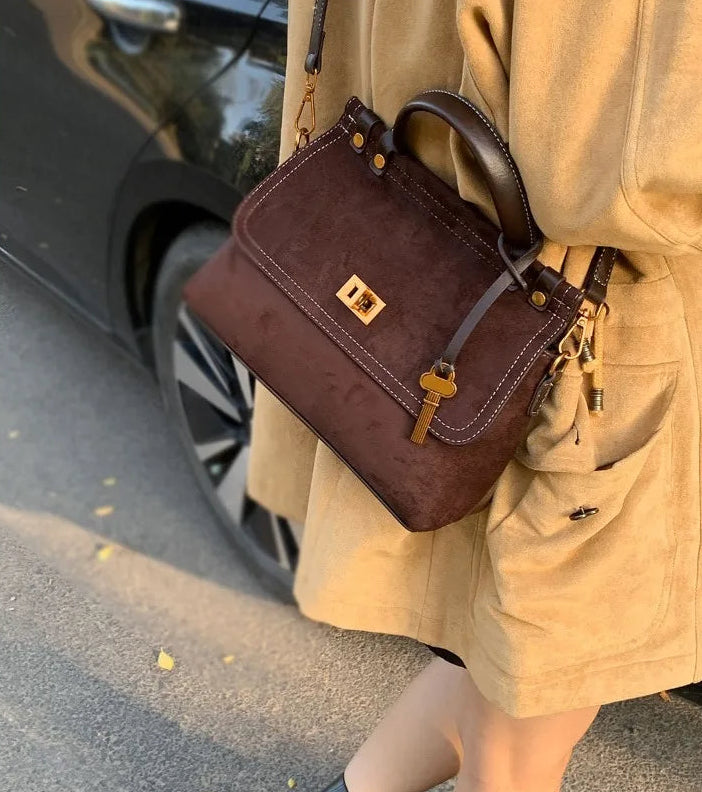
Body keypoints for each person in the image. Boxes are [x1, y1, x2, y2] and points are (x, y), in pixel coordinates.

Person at [247, 1, 702, 790]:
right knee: (534, 688)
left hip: (438, 288)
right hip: (564, 345)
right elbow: (620, 179)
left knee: (496, 658)